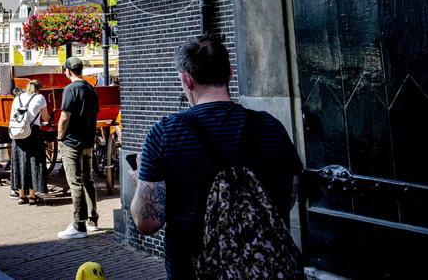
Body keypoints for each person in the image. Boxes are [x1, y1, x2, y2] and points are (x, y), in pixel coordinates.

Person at [129, 35, 301, 279]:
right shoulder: (271, 126)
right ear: (230, 73)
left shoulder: (165, 133)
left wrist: (142, 185)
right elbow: (288, 198)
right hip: (270, 269)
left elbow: (147, 223)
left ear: (187, 80)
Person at [56, 55, 99, 240]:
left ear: (68, 71)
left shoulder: (70, 89)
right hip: (88, 141)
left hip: (72, 142)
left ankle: (78, 225)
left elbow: (65, 116)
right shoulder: (92, 89)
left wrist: (59, 137)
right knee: (88, 180)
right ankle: (92, 220)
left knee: (75, 183)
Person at [10, 79, 49, 205]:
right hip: (33, 133)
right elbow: (45, 117)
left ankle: (21, 195)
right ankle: (32, 196)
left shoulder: (17, 98)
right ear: (39, 89)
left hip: (18, 132)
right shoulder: (40, 98)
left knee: (19, 162)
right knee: (34, 161)